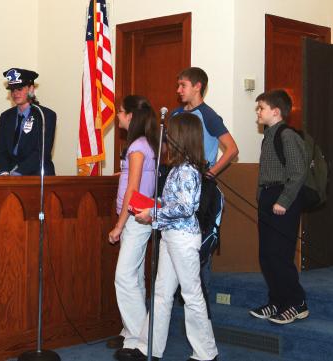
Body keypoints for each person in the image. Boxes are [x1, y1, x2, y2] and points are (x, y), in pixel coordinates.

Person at [122, 112, 218, 361]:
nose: (165, 141)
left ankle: (206, 353)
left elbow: (185, 208)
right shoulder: (177, 169)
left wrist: (153, 213)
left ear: (181, 138)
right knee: (162, 293)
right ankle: (148, 348)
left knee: (191, 294)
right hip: (170, 236)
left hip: (183, 240)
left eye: (170, 135)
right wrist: (154, 205)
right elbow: (172, 202)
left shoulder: (187, 171)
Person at [171, 67, 238, 316]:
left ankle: (201, 307)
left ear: (198, 87)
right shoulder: (177, 113)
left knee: (200, 248)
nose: (179, 90)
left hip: (201, 188)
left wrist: (210, 173)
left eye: (183, 85)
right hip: (177, 184)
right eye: (178, 85)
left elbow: (231, 149)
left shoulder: (208, 115)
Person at [249, 89, 309, 324]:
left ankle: (296, 302)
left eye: (261, 108)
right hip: (268, 198)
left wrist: (283, 201)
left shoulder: (287, 135)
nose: (258, 112)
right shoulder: (269, 134)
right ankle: (277, 301)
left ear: (275, 111)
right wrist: (261, 195)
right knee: (266, 255)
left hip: (283, 199)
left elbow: (297, 172)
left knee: (280, 254)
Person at [108, 95, 159, 360]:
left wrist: (119, 225)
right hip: (138, 218)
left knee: (124, 278)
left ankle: (144, 339)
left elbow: (133, 187)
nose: (117, 116)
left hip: (135, 219)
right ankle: (131, 335)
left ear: (131, 116)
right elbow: (134, 177)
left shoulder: (137, 146)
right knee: (136, 279)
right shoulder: (143, 143)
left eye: (120, 112)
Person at [0, 68, 56, 175]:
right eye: (12, 90)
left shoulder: (45, 115)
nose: (15, 93)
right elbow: (1, 150)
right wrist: (3, 172)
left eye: (20, 89)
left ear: (31, 89)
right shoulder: (6, 116)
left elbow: (41, 152)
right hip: (8, 175)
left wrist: (19, 173)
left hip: (35, 175)